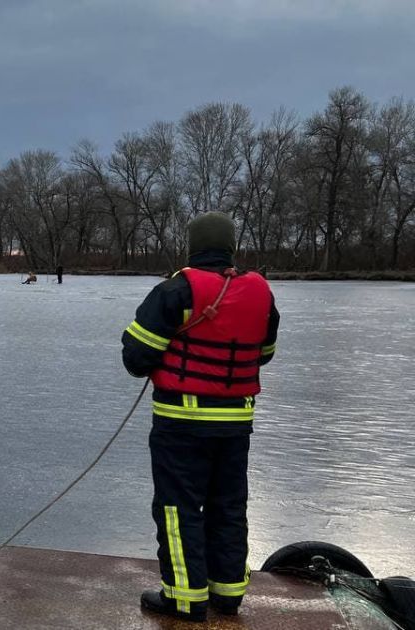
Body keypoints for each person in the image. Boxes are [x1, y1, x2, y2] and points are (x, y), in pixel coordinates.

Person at [122, 212, 279, 622]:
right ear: (231, 248)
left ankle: (184, 599)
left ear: (192, 247)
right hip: (236, 425)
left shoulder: (176, 290)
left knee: (178, 508)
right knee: (228, 505)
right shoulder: (261, 293)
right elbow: (264, 354)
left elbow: (136, 359)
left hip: (182, 424)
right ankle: (227, 595)